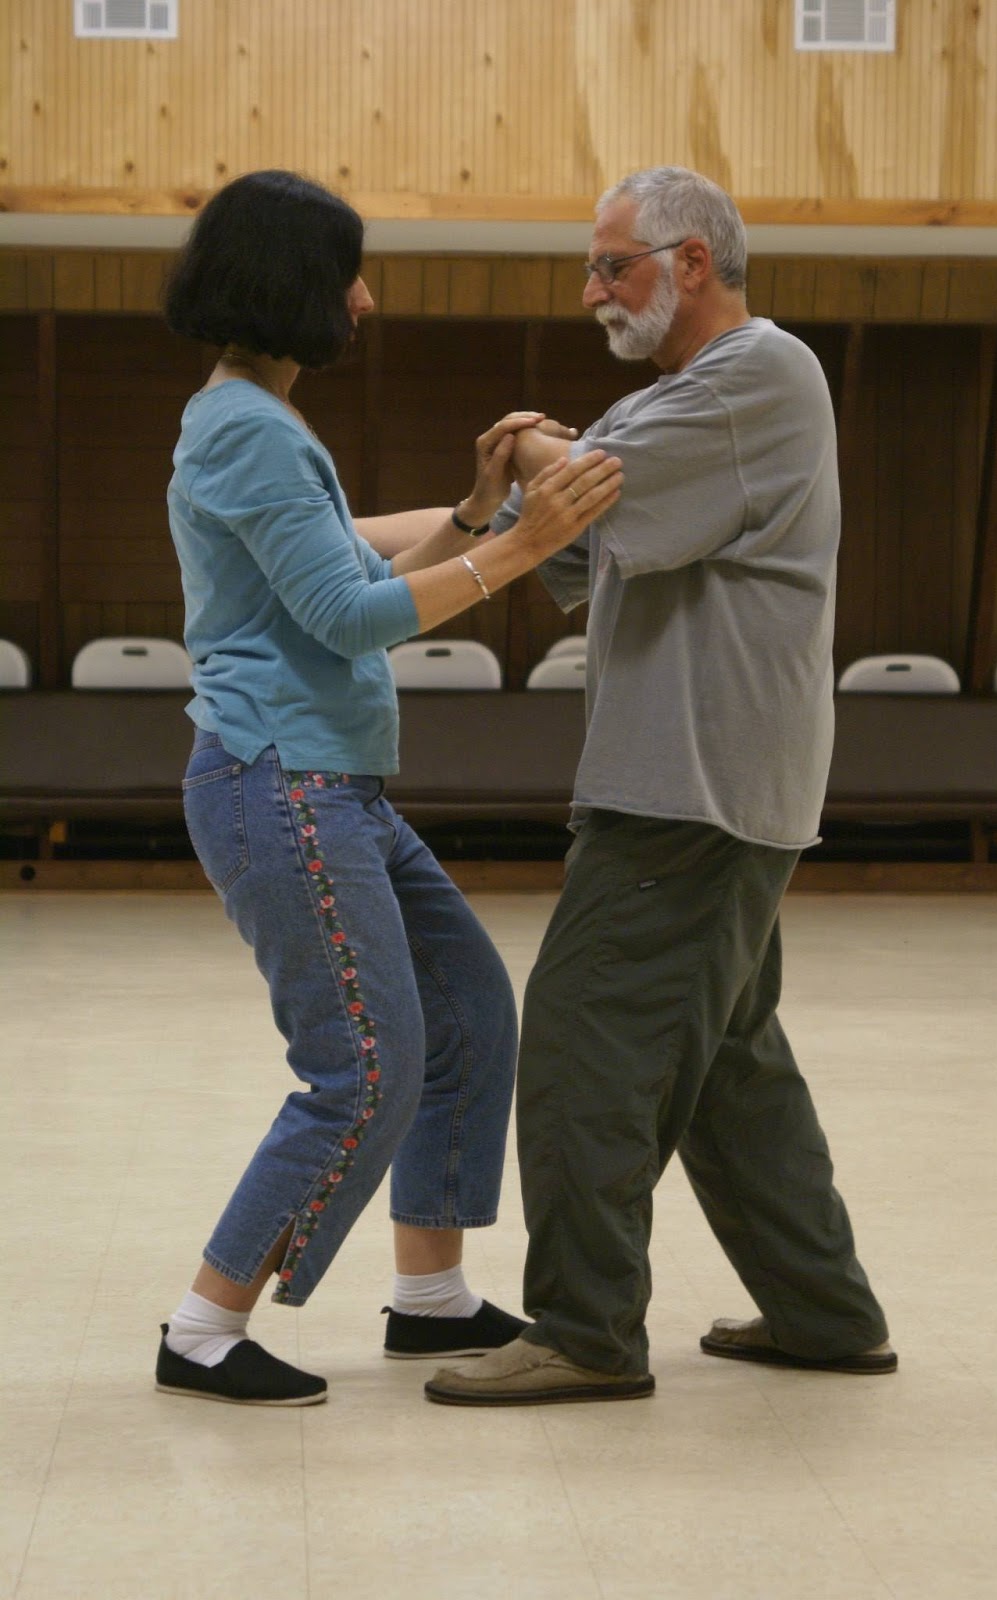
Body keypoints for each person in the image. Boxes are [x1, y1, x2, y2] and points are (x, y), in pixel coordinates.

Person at [425, 166, 895, 1407]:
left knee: (583, 1037)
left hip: (688, 792)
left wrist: (538, 445)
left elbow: (590, 492)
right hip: (708, 785)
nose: (593, 293)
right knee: (732, 1069)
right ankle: (824, 1311)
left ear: (693, 262)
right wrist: (549, 472)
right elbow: (567, 543)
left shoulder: (759, 373)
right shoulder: (686, 400)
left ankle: (585, 1330)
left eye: (613, 266)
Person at [156, 169, 622, 1407]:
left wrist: (478, 509)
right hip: (284, 783)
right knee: (362, 1068)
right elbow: (352, 618)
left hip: (332, 784)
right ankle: (204, 1325)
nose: (363, 297)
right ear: (293, 285)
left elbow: (346, 569)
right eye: (346, 273)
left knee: (467, 1006)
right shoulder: (248, 427)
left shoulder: (254, 416)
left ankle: (430, 1297)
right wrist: (522, 544)